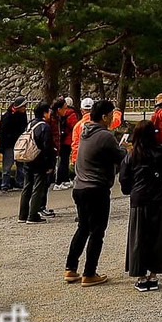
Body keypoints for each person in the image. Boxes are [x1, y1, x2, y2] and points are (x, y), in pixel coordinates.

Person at [65, 99, 123, 286]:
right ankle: (89, 273)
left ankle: (71, 268)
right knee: (97, 231)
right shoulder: (105, 136)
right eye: (111, 114)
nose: (112, 118)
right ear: (104, 116)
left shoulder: (86, 131)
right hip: (96, 188)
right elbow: (121, 157)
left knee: (83, 228)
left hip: (80, 187)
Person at [119, 120, 162, 293]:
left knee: (139, 238)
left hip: (140, 199)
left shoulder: (132, 155)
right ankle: (154, 274)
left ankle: (141, 275)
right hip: (159, 198)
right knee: (158, 237)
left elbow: (124, 180)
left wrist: (131, 190)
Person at [18, 102, 55, 224]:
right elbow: (47, 147)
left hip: (28, 158)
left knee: (27, 187)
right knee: (38, 188)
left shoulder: (30, 124)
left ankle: (22, 214)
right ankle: (33, 215)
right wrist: (50, 164)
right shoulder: (45, 127)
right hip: (39, 160)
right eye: (49, 111)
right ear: (44, 113)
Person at [0, 99, 28, 192]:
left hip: (20, 143)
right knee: (7, 165)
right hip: (9, 144)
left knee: (21, 164)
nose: (25, 108)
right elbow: (2, 131)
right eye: (23, 106)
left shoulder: (23, 115)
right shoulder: (8, 116)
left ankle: (20, 182)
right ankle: (5, 184)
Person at [52, 98, 80, 189]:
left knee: (62, 161)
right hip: (67, 140)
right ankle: (61, 181)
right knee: (64, 161)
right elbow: (75, 126)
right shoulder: (71, 114)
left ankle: (63, 180)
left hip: (62, 140)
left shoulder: (58, 116)